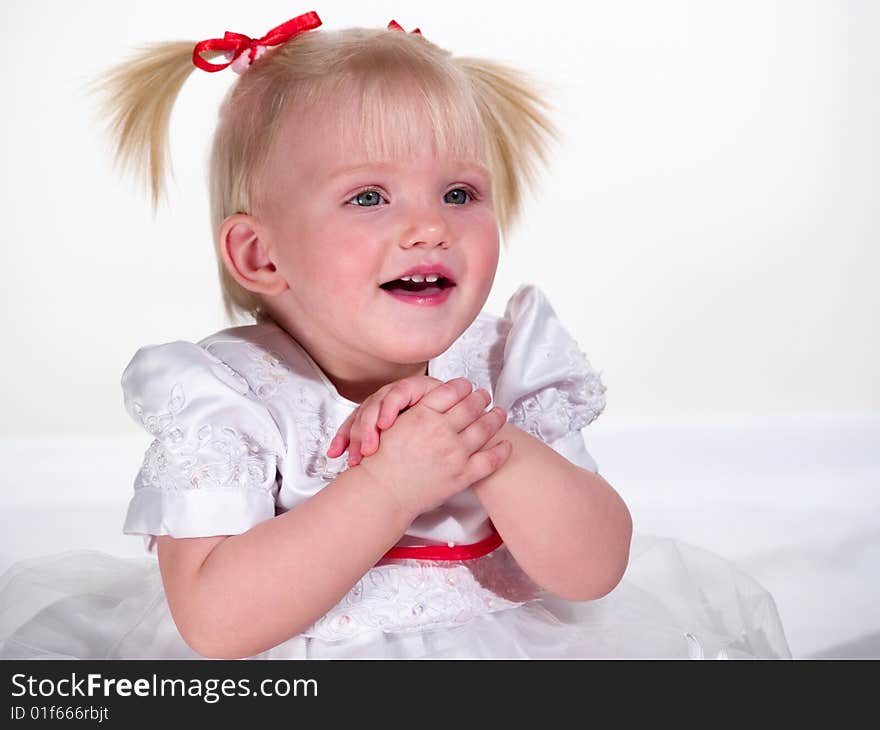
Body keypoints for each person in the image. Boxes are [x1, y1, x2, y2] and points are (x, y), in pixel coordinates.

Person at [0, 11, 790, 659]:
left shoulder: (504, 364)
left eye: (459, 191)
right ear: (260, 253)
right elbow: (216, 622)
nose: (429, 226)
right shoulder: (226, 398)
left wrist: (487, 444)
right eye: (370, 196)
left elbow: (592, 570)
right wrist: (387, 485)